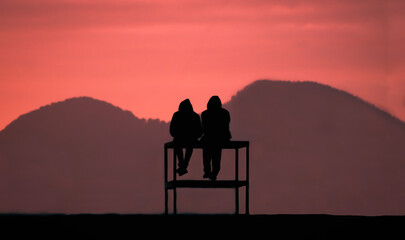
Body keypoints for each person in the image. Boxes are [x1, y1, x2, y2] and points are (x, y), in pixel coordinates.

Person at [201, 96, 231, 181]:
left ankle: (207, 171)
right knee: (217, 157)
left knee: (206, 155)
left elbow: (204, 128)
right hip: (221, 138)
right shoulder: (225, 113)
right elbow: (225, 126)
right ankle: (214, 172)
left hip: (209, 139)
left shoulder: (205, 114)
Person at [170, 99, 202, 176]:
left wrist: (179, 135)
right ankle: (183, 165)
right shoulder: (195, 116)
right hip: (191, 140)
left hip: (181, 139)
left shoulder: (177, 115)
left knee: (178, 144)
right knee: (189, 146)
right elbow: (200, 132)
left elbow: (172, 130)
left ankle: (182, 165)